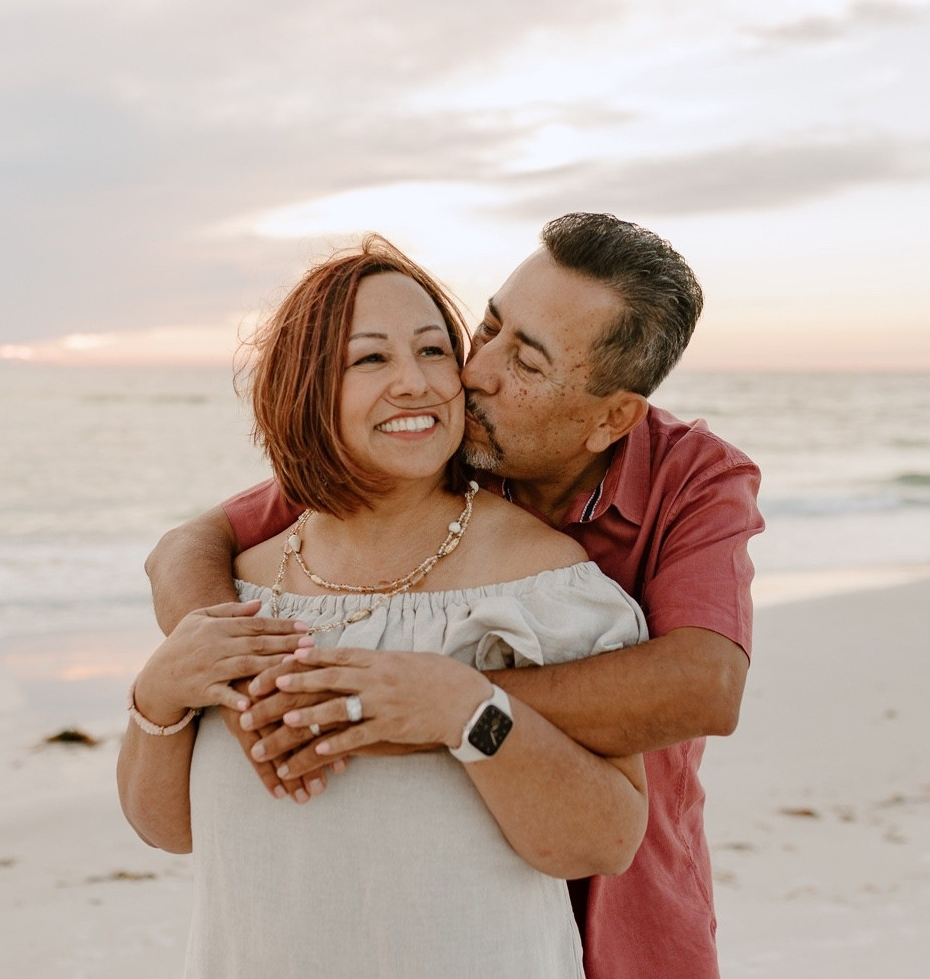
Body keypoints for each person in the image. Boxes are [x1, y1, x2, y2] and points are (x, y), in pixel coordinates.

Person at [146, 213, 765, 978]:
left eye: (527, 362)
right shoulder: (433, 445)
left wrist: (439, 706)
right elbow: (188, 545)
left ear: (611, 417)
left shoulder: (692, 479)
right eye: (489, 328)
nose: (474, 372)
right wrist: (247, 678)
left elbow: (705, 685)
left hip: (622, 901)